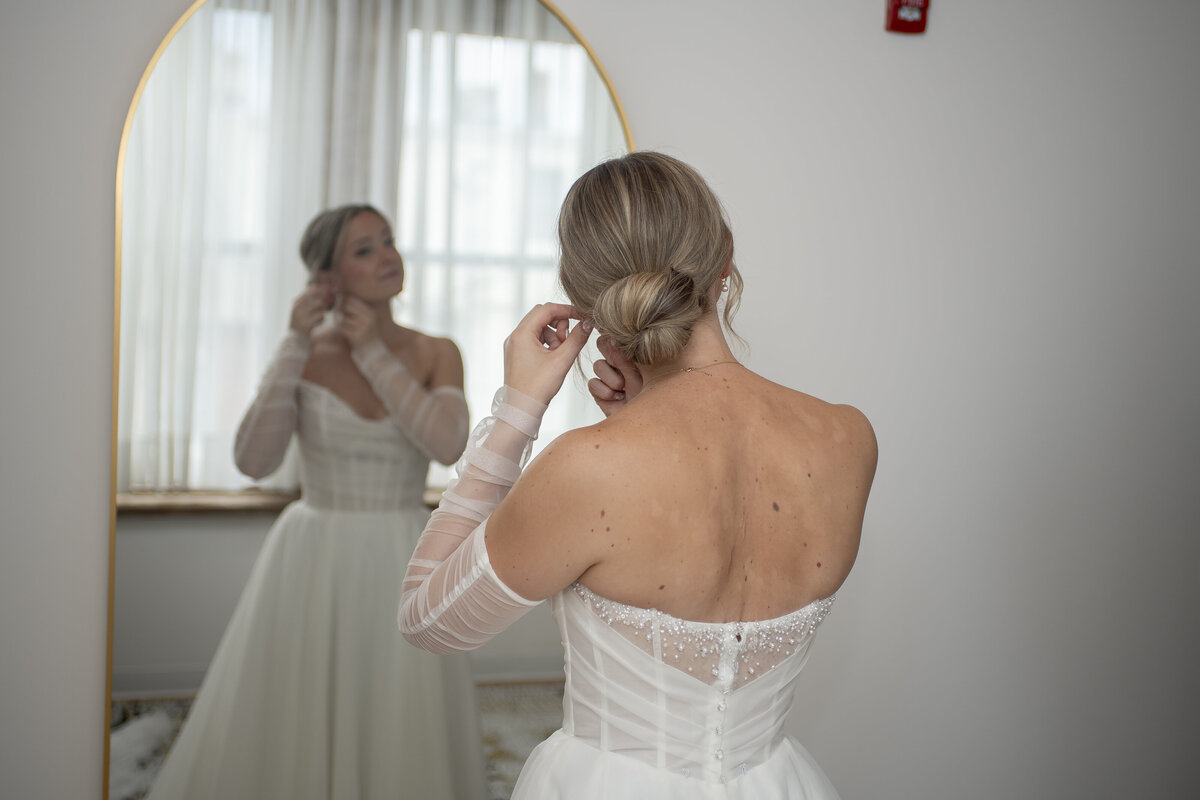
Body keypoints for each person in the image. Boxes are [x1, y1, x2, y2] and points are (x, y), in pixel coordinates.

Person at [397, 152, 878, 798]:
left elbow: (428, 619)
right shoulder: (849, 437)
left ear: (584, 296)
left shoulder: (585, 470)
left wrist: (516, 412)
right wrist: (638, 420)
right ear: (726, 254)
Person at [148, 204, 486, 800]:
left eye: (388, 240)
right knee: (297, 710)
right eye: (364, 249)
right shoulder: (303, 353)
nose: (388, 255)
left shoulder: (438, 350)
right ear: (327, 277)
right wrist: (293, 342)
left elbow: (447, 444)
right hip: (314, 556)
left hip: (406, 550)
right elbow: (254, 461)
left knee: (398, 704)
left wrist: (374, 355)